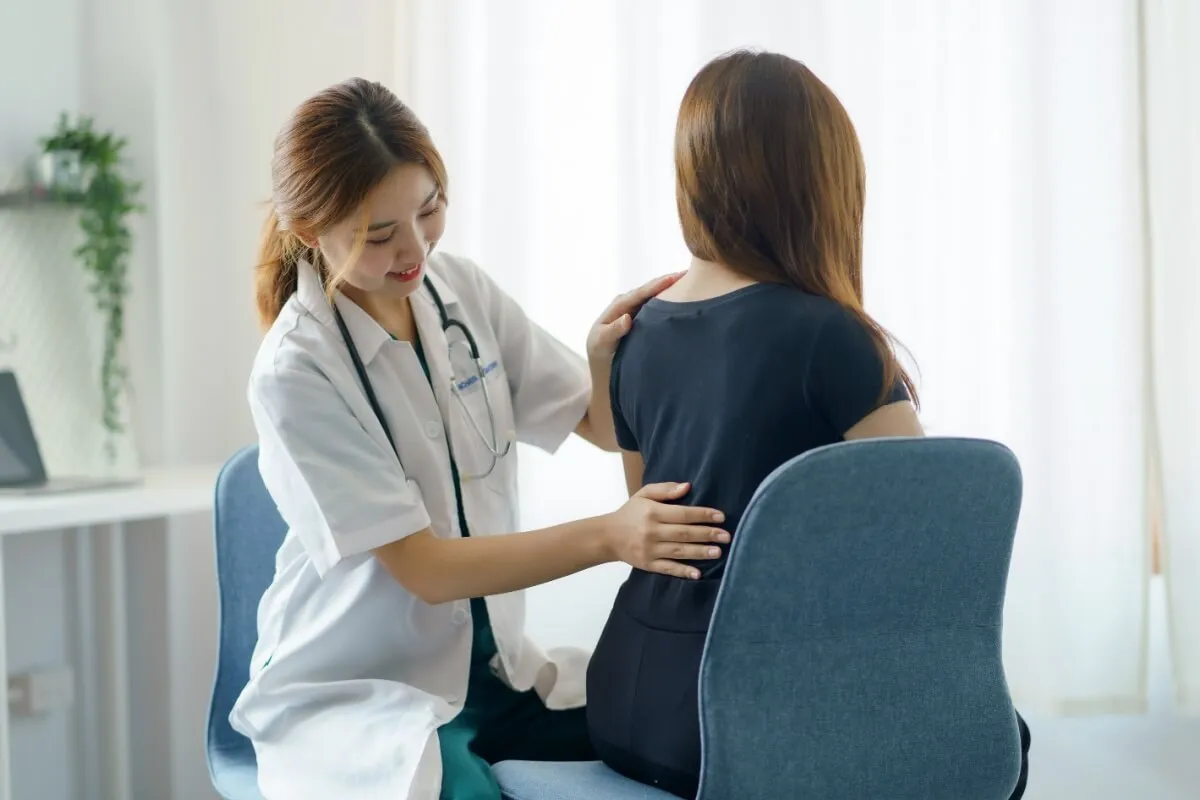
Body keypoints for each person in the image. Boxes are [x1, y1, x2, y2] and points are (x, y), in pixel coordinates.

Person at [229, 78, 731, 800]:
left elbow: (595, 423)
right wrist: (611, 535)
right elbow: (427, 570)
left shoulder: (459, 292)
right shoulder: (295, 370)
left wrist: (602, 359)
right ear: (310, 231)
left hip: (498, 676)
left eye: (429, 208)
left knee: (678, 734)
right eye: (379, 234)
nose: (414, 248)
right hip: (368, 686)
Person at [584, 50, 1031, 799]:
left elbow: (655, 519)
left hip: (626, 699)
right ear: (820, 184)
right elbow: (931, 545)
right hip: (739, 717)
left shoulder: (635, 335)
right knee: (994, 739)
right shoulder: (830, 336)